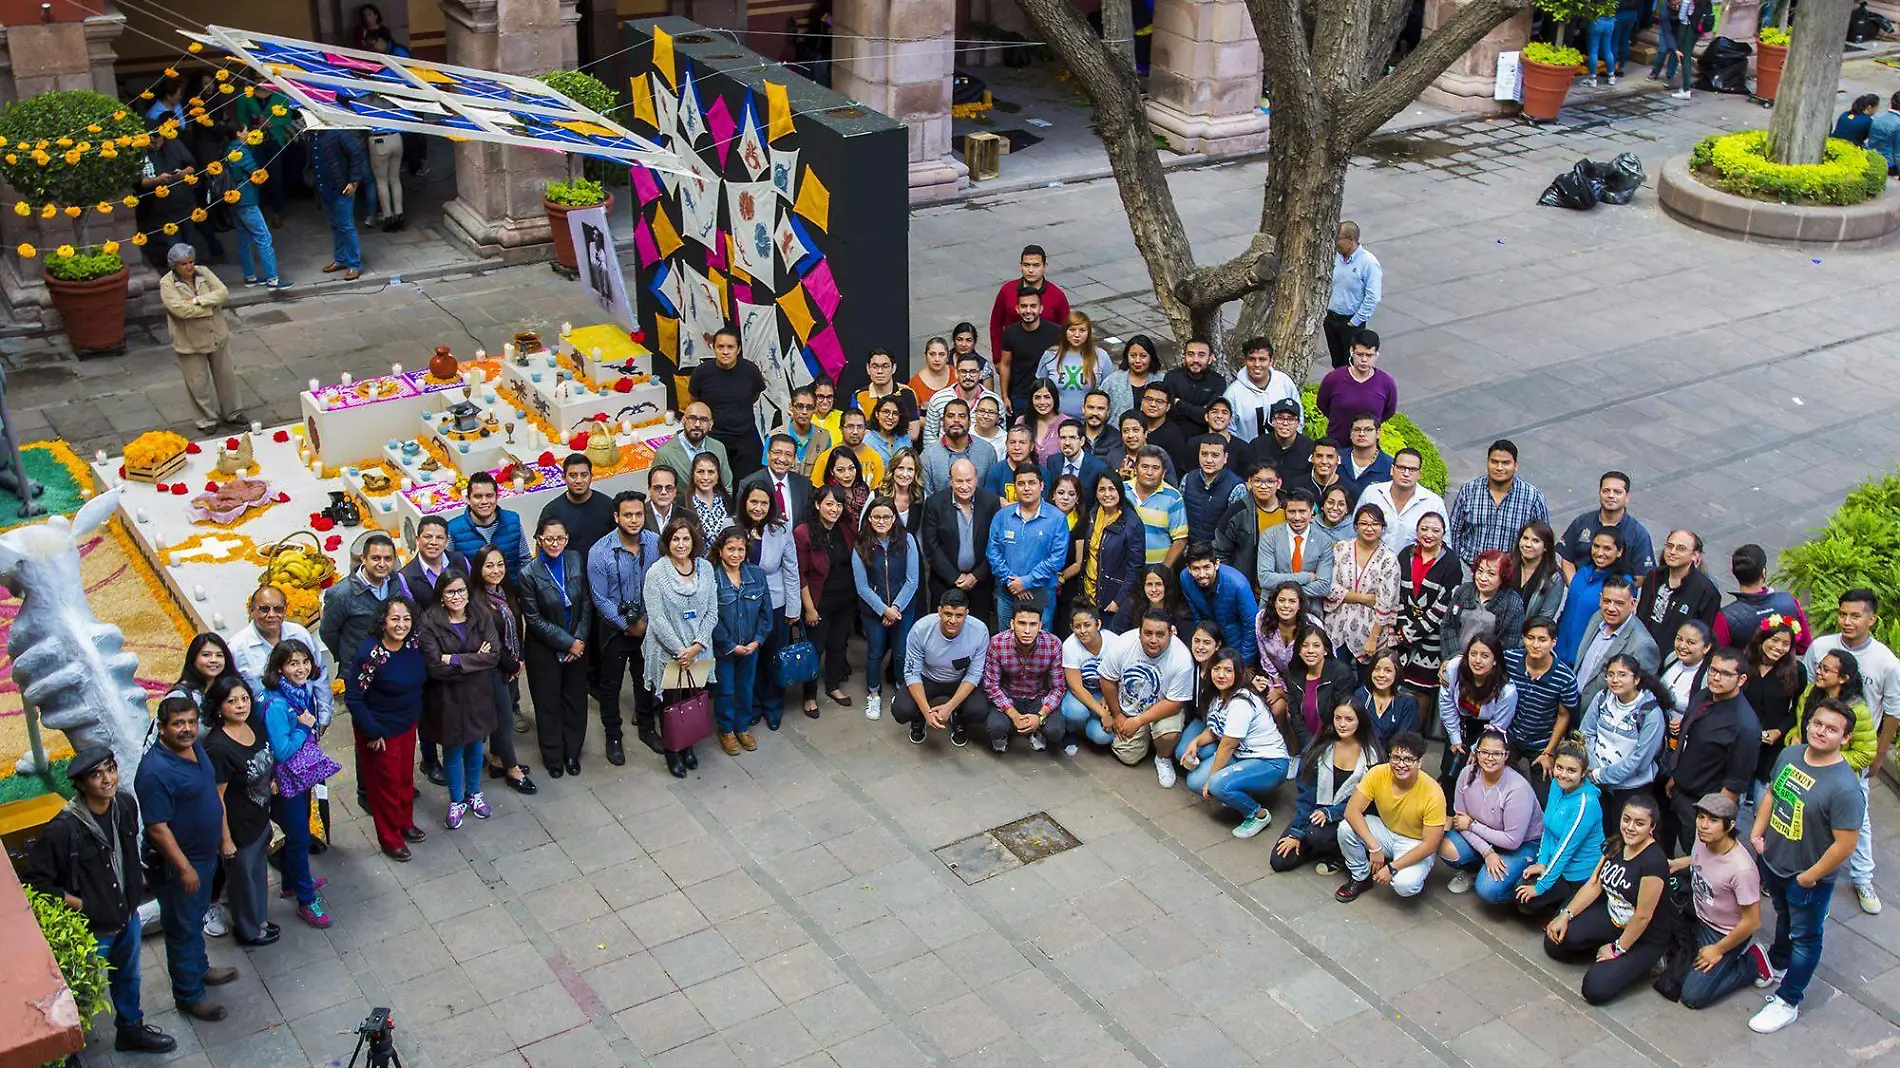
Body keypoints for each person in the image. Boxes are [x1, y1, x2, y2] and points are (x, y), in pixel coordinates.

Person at [22, 747, 178, 1053]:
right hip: (91, 929)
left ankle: (130, 1030)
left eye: (110, 769)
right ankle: (68, 1049)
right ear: (81, 784)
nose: (108, 779)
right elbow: (34, 882)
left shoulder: (125, 804)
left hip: (127, 915)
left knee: (129, 977)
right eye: (97, 775)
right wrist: (81, 905)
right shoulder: (63, 829)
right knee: (80, 990)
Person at [1748, 700, 1866, 1033]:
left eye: (1832, 729)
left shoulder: (1845, 787)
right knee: (1784, 918)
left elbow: (1845, 844)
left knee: (1807, 937)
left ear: (1846, 738)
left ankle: (1789, 1000)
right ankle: (1780, 961)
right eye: (1817, 723)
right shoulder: (1791, 754)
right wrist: (1758, 833)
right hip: (1776, 860)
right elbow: (1773, 793)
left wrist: (1810, 876)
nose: (1821, 732)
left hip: (1808, 877)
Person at [136, 698, 242, 1022]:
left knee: (193, 920)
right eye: (178, 724)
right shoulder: (154, 771)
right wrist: (184, 868)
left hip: (204, 855)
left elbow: (210, 793)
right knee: (181, 929)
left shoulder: (195, 748)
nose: (186, 729)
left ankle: (201, 969)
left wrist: (223, 839)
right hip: (179, 864)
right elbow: (157, 829)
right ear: (162, 728)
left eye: (191, 722)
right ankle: (189, 995)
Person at [1801, 587, 1899, 915]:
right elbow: (1805, 693)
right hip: (1813, 747)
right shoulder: (1822, 647)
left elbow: (1892, 712)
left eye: (1855, 615)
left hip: (1854, 751)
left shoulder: (1886, 662)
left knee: (1857, 817)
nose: (1847, 621)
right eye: (1843, 613)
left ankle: (1862, 877)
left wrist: (1877, 756)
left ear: (1872, 619)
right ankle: (1808, 874)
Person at [1541, 794, 1671, 1004]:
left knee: (1594, 989)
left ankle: (1649, 961)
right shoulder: (1617, 844)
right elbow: (1594, 884)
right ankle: (1603, 948)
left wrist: (1617, 948)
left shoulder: (1654, 862)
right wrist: (1565, 915)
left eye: (1639, 823)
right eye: (1626, 819)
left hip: (1644, 936)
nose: (1630, 827)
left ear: (1652, 827)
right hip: (1613, 918)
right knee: (1554, 943)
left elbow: (1643, 916)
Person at [255, 641, 334, 929]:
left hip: (298, 777)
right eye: (293, 663)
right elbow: (283, 750)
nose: (301, 668)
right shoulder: (277, 704)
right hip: (284, 780)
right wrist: (304, 727)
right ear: (279, 669)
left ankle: (290, 882)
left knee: (297, 831)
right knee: (299, 836)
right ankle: (305, 899)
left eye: (304, 662)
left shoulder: (296, 692)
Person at [1667, 794, 1766, 1009]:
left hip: (1724, 932)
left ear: (1729, 826)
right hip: (1698, 914)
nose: (1704, 825)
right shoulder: (1703, 840)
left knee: (1692, 995)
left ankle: (1753, 963)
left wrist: (1718, 949)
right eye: (1701, 817)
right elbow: (1699, 861)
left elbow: (1752, 922)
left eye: (1713, 821)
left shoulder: (1742, 870)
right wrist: (1675, 864)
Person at [345, 598, 426, 861]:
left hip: (407, 724)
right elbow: (354, 697)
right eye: (394, 619)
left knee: (405, 779)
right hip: (380, 731)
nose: (400, 624)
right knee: (385, 788)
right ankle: (390, 839)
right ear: (383, 621)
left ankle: (405, 823)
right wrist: (371, 731)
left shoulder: (412, 644)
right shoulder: (371, 654)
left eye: (405, 619)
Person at [418, 572, 500, 830]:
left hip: (477, 695)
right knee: (453, 748)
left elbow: (493, 656)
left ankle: (473, 794)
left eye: (462, 591)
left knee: (476, 745)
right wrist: (473, 658)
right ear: (441, 596)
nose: (458, 597)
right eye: (451, 592)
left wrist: (453, 659)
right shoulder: (430, 623)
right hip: (447, 697)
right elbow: (433, 666)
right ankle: (456, 800)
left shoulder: (481, 615)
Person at [200, 677, 276, 948]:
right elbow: (216, 798)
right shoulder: (218, 747)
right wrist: (226, 840)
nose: (241, 705)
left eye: (244, 698)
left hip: (258, 817)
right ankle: (249, 930)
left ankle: (260, 921)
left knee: (257, 876)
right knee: (242, 883)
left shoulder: (252, 724)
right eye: (232, 701)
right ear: (220, 708)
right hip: (237, 826)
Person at [1186, 649, 1291, 836]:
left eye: (1228, 670)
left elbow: (1227, 744)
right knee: (1194, 781)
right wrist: (1196, 741)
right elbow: (1214, 729)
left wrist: (1211, 780)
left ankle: (1257, 814)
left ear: (1238, 673)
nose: (1221, 675)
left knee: (1217, 784)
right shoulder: (1217, 695)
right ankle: (1239, 789)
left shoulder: (1241, 702)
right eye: (1216, 669)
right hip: (1243, 756)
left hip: (1270, 762)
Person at [589, 491, 661, 762]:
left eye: (638, 514)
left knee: (646, 681)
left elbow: (662, 584)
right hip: (614, 630)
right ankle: (613, 736)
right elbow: (600, 597)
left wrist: (648, 622)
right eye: (627, 515)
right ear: (616, 517)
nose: (634, 520)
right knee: (611, 686)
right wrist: (625, 624)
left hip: (648, 625)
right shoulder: (600, 551)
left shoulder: (655, 543)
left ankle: (647, 728)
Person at [643, 516, 717, 776]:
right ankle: (673, 750)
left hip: (698, 651)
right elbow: (657, 618)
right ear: (667, 542)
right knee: (672, 705)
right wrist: (680, 651)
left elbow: (712, 612)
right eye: (675, 538)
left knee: (693, 698)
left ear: (693, 541)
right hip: (669, 654)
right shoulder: (656, 573)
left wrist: (696, 646)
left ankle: (688, 745)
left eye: (686, 538)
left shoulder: (705, 569)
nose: (681, 544)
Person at [1438, 724, 1544, 902]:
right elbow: (1460, 821)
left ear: (1506, 755)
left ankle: (1522, 885)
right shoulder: (1466, 774)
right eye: (1484, 752)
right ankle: (1478, 870)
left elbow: (1511, 841)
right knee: (1445, 847)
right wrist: (1487, 852)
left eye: (1497, 754)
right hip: (1486, 837)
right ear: (1477, 753)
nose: (1489, 758)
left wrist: (1472, 825)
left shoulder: (1517, 788)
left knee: (1488, 889)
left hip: (1522, 844)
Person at [521, 516, 592, 779]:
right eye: (549, 538)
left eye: (560, 538)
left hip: (577, 641)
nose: (555, 544)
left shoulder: (574, 559)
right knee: (547, 702)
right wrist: (568, 642)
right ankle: (553, 755)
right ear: (539, 538)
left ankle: (572, 751)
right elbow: (534, 619)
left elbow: (585, 601)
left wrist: (580, 639)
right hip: (544, 649)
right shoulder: (529, 573)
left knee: (575, 699)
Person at [1335, 730, 1445, 900]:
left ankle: (1408, 866)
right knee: (1345, 828)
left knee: (1405, 885)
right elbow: (1351, 810)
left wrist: (1392, 868)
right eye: (1396, 758)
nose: (1401, 764)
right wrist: (1374, 847)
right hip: (1386, 831)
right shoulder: (1378, 773)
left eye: (1408, 759)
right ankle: (1361, 876)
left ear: (1420, 762)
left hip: (1415, 842)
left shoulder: (1433, 793)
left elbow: (1431, 844)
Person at [1093, 612, 1198, 786]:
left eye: (1160, 634)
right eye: (1148, 633)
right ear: (1139, 633)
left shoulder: (1182, 658)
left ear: (1171, 633)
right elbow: (1106, 679)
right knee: (1128, 756)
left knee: (1168, 734)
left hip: (1163, 708)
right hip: (1129, 706)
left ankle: (1163, 757)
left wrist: (1139, 721)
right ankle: (1146, 740)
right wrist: (1117, 714)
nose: (1153, 640)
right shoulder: (1124, 644)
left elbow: (1175, 703)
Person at [1273, 702, 1378, 873]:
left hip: (1350, 818)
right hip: (1315, 813)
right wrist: (1297, 833)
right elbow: (1306, 796)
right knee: (1280, 861)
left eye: (1349, 719)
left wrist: (1331, 813)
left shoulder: (1372, 756)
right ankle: (1323, 848)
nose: (1342, 724)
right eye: (1338, 718)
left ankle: (1344, 854)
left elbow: (1368, 803)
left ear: (1360, 722)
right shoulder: (1318, 750)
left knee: (1317, 835)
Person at [734, 484, 802, 731]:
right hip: (740, 606)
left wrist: (793, 608)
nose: (758, 508)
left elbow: (791, 569)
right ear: (744, 502)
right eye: (753, 502)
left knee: (773, 658)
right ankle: (751, 706)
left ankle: (773, 707)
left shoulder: (781, 530)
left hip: (775, 604)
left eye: (764, 503)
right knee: (747, 660)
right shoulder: (730, 526)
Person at [1581, 655, 1671, 833]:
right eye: (1611, 674)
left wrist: (1602, 774)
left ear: (1636, 679)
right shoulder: (1602, 698)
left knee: (1621, 837)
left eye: (1622, 675)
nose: (1615, 680)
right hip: (1597, 781)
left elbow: (1640, 760)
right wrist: (1593, 767)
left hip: (1631, 789)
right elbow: (1586, 733)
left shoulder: (1650, 713)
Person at [893, 589, 994, 746]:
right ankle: (918, 719)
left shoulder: (979, 631)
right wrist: (926, 711)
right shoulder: (920, 629)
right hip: (928, 678)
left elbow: (974, 674)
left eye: (959, 616)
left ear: (966, 614)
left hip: (960, 679)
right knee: (901, 710)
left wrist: (949, 707)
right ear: (939, 611)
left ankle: (958, 718)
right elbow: (912, 673)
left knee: (979, 709)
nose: (952, 620)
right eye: (948, 614)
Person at [159, 244, 243, 432]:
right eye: (183, 264)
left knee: (226, 376)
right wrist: (210, 307)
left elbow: (222, 292)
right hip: (189, 341)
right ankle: (207, 419)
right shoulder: (167, 283)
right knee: (198, 383)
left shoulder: (203, 272)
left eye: (191, 262)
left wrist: (198, 301)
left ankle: (233, 413)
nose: (189, 267)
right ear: (175, 266)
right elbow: (179, 310)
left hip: (216, 335)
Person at [1514, 744, 1606, 916]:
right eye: (1559, 767)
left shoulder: (1586, 803)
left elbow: (1565, 849)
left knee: (1558, 940)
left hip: (1580, 877)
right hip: (1558, 867)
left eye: (1571, 770)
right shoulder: (1557, 785)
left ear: (1583, 773)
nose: (1563, 775)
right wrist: (1542, 862)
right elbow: (1547, 827)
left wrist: (1540, 887)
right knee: (1521, 894)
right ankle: (1556, 904)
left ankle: (1571, 904)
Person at [472, 545, 535, 793]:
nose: (496, 570)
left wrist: (519, 659)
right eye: (489, 565)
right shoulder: (476, 601)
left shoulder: (504, 591)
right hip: (493, 668)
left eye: (500, 564)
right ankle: (512, 769)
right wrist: (513, 663)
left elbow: (517, 624)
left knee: (504, 714)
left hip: (511, 664)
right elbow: (489, 644)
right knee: (504, 719)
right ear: (479, 569)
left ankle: (498, 760)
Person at [855, 496, 922, 721]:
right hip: (874, 611)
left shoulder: (908, 540)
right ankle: (873, 693)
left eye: (886, 516)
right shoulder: (861, 544)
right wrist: (884, 610)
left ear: (894, 518)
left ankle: (902, 688)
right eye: (876, 517)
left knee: (902, 651)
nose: (881, 521)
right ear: (869, 519)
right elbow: (862, 587)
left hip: (903, 608)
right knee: (874, 652)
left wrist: (895, 608)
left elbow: (912, 580)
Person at [1503, 617, 1582, 801]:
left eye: (1542, 639)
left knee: (1542, 801)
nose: (1535, 644)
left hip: (1542, 743)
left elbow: (1563, 716)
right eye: (1530, 638)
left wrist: (1549, 752)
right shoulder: (1509, 659)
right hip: (1510, 736)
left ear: (1553, 642)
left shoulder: (1566, 677)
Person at [796, 485, 857, 715]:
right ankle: (809, 695)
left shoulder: (846, 528)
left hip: (845, 600)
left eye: (839, 505)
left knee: (838, 645)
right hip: (818, 603)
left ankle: (833, 685)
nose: (834, 509)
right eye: (829, 504)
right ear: (817, 504)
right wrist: (809, 609)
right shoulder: (803, 533)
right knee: (815, 649)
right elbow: (800, 574)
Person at [710, 527, 771, 755]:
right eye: (731, 549)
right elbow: (711, 617)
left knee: (745, 687)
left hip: (750, 646)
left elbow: (766, 612)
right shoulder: (712, 576)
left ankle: (742, 727)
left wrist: (757, 640)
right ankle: (726, 730)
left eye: (740, 549)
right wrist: (729, 645)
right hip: (724, 649)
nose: (736, 554)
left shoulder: (756, 574)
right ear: (721, 549)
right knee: (725, 690)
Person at [986, 463, 1068, 629]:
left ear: (1042, 485)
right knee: (1006, 643)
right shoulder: (1002, 516)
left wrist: (1026, 582)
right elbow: (993, 553)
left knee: (1040, 644)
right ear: (1014, 487)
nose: (1026, 488)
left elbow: (1057, 559)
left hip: (1041, 594)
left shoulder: (1057, 518)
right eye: (1021, 483)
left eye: (1032, 483)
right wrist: (1013, 582)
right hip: (1007, 593)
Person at [981, 601, 1068, 754]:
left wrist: (1040, 716)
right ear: (1012, 624)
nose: (1027, 630)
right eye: (1021, 623)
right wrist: (1013, 714)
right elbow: (991, 685)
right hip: (1009, 696)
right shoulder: (997, 643)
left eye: (1033, 624)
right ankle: (1004, 733)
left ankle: (1037, 730)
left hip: (1038, 698)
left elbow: (1058, 687)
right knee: (995, 727)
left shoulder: (1053, 644)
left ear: (1040, 625)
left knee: (1056, 731)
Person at [1391, 513, 1462, 699]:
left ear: (1443, 533)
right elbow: (1396, 593)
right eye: (1424, 529)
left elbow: (1444, 605)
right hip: (1402, 631)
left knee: (1421, 691)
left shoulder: (1451, 562)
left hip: (1432, 636)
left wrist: (1412, 632)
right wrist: (1402, 627)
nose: (1429, 534)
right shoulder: (1406, 554)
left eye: (1435, 530)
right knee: (1397, 685)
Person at [920, 458, 1000, 620]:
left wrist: (976, 575)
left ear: (976, 478)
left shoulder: (990, 501)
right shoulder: (934, 503)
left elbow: (996, 544)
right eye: (959, 481)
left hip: (980, 584)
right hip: (944, 582)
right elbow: (931, 546)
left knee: (978, 632)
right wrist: (954, 577)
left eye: (969, 480)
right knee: (943, 633)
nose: (964, 486)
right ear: (950, 481)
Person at [1448, 440, 1549, 566]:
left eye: (1506, 463)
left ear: (1516, 465)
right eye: (1494, 462)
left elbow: (1543, 539)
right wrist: (1456, 566)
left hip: (1512, 573)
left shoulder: (1533, 498)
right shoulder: (1469, 491)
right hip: (1470, 568)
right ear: (1487, 462)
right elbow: (1454, 532)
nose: (1499, 468)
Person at [1743, 620, 1808, 817]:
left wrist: (1779, 731)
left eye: (1785, 644)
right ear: (1762, 638)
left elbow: (1799, 710)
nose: (1778, 647)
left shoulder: (1796, 671)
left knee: (1763, 804)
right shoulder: (1744, 663)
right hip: (1742, 740)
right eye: (1774, 640)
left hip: (1773, 746)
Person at [216, 121, 289, 291]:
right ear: (239, 133)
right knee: (264, 238)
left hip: (235, 200)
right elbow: (256, 173)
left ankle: (250, 277)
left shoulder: (229, 150)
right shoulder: (241, 152)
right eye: (246, 130)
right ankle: (273, 280)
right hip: (247, 200)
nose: (248, 132)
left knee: (243, 240)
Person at [1439, 634, 1519, 786]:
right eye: (1473, 654)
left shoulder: (1507, 690)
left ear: (1495, 660)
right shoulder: (1454, 667)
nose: (1477, 661)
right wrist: (1455, 739)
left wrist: (1477, 749)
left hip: (1488, 729)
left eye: (1485, 656)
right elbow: (1446, 703)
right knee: (1450, 769)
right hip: (1459, 722)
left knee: (1474, 772)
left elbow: (1498, 725)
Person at [1324, 505, 1400, 667]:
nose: (1369, 528)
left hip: (1370, 628)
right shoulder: (1340, 549)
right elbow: (1328, 585)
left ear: (1383, 527)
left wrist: (1374, 638)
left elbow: (1386, 600)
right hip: (1336, 624)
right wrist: (1364, 598)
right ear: (1356, 526)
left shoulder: (1389, 558)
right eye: (1364, 523)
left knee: (1368, 681)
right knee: (1335, 674)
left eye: (1375, 524)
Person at [689, 327, 771, 473]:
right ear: (713, 348)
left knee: (746, 484)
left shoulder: (750, 370)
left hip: (745, 438)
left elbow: (755, 395)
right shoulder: (701, 373)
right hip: (713, 439)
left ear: (738, 349)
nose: (725, 352)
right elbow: (695, 402)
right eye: (720, 347)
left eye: (730, 347)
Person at [1574, 576, 1662, 711]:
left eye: (1619, 603)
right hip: (1573, 704)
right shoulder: (1597, 617)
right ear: (1600, 599)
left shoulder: (1643, 646)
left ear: (1633, 604)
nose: (1611, 608)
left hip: (1603, 719)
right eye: (1607, 601)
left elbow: (1638, 697)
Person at [1713, 543, 1811, 653]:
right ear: (1763, 572)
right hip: (1785, 668)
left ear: (1733, 571)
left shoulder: (1725, 617)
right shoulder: (1790, 602)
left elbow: (1719, 656)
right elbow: (1804, 646)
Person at [1557, 471, 1655, 577]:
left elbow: (1642, 575)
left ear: (1627, 496)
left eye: (1617, 492)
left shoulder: (1638, 534)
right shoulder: (1582, 522)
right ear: (1599, 493)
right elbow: (1567, 558)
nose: (1611, 496)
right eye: (1606, 491)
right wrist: (1576, 586)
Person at [989, 244, 1071, 370]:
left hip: (1046, 362)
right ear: (1021, 266)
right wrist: (998, 358)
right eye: (1026, 265)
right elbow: (996, 324)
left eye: (1036, 265)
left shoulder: (1057, 295)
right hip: (1013, 360)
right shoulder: (1007, 291)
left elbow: (1066, 329)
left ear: (1045, 266)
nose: (1031, 270)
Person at [1636, 529, 1720, 650]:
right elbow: (1641, 614)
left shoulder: (1706, 591)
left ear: (1695, 555)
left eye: (1681, 548)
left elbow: (1703, 635)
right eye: (1670, 546)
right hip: (1642, 649)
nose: (1672, 552)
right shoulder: (1653, 576)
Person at [1556, 528, 1627, 667]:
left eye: (1607, 548)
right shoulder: (1584, 570)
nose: (1600, 553)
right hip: (1559, 651)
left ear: (1619, 551)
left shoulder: (1622, 584)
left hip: (1585, 659)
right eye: (1596, 546)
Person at [1180, 542, 1261, 663]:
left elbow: (1251, 625)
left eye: (1206, 567)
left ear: (1216, 564)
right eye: (1196, 568)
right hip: (1210, 642)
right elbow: (1196, 615)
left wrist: (1244, 661)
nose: (1202, 574)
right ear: (1189, 568)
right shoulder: (1185, 578)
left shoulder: (1237, 584)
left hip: (1237, 642)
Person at [1283, 629, 1358, 754]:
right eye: (1305, 646)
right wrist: (1309, 743)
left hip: (1334, 740)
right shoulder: (1293, 675)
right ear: (1299, 651)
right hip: (1307, 742)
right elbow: (1295, 715)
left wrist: (1320, 746)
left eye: (1316, 646)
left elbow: (1340, 717)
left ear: (1326, 650)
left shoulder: (1341, 673)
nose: (1310, 650)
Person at [1440, 549, 1525, 658]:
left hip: (1489, 666)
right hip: (1456, 659)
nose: (1483, 578)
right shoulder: (1464, 591)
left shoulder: (1513, 604)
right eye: (1480, 571)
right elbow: (1448, 625)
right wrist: (1454, 656)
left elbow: (1509, 645)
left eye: (1491, 574)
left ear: (1502, 577)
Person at [1317, 341, 1399, 453]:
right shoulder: (1334, 378)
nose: (1364, 360)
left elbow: (1389, 411)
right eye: (1360, 354)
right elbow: (1322, 403)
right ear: (1351, 351)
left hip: (1368, 449)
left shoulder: (1386, 383)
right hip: (1337, 445)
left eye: (1369, 355)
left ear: (1376, 355)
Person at [1256, 489, 1336, 605]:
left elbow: (1323, 586)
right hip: (1272, 606)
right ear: (1285, 511)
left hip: (1309, 607)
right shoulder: (1269, 536)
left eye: (1302, 511)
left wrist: (1287, 595)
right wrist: (1306, 577)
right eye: (1292, 512)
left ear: (1311, 511)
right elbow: (1265, 579)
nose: (1297, 517)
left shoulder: (1323, 540)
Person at [1059, 605, 1119, 756]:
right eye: (1077, 626)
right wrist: (1103, 714)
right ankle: (1070, 731)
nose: (1083, 630)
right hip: (1080, 693)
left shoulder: (1114, 642)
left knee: (1102, 737)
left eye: (1087, 625)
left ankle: (1090, 725)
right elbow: (1076, 688)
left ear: (1098, 624)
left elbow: (1121, 677)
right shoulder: (1069, 646)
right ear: (1072, 628)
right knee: (1076, 713)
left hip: (1107, 691)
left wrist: (1109, 697)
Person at [448, 471, 527, 582]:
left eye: (489, 496)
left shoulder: (513, 521)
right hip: (472, 596)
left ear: (497, 497)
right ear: (468, 499)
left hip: (511, 593)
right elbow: (448, 568)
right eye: (478, 496)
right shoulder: (453, 529)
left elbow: (525, 559)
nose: (484, 501)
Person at [1212, 462, 1285, 583]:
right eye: (1258, 481)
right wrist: (1234, 582)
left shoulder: (1290, 509)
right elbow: (1220, 552)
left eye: (1270, 481)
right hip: (1247, 585)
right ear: (1249, 483)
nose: (1263, 486)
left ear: (1279, 483)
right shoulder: (1237, 512)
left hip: (1285, 585)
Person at [310, 129, 367, 279]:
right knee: (335, 225)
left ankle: (354, 264)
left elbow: (357, 154)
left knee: (346, 226)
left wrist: (353, 181)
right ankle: (340, 259)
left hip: (342, 188)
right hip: (325, 188)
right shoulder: (312, 135)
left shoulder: (339, 133)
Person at [1034, 312, 1113, 419]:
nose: (1077, 335)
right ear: (1064, 331)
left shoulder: (1101, 356)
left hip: (1090, 421)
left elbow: (1108, 392)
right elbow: (1040, 388)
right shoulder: (1050, 355)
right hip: (1056, 420)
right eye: (1072, 330)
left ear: (1088, 333)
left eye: (1082, 330)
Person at [1325, 223, 1383, 369]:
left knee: (1351, 365)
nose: (1335, 243)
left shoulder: (1368, 263)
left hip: (1351, 324)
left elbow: (1373, 297)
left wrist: (1354, 322)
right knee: (1337, 363)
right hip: (1331, 319)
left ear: (1350, 239)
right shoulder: (1334, 258)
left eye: (1338, 239)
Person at [1223, 337, 1302, 441]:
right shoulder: (1232, 394)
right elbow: (1229, 430)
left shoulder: (1284, 382)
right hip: (1250, 453)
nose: (1257, 365)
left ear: (1271, 361)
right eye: (1252, 359)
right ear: (1245, 361)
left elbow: (1298, 415)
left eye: (1262, 359)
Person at [1125, 447, 1188, 569]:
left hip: (1158, 571)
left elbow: (1180, 540)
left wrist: (1162, 571)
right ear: (1135, 468)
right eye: (1145, 467)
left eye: (1155, 468)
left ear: (1163, 473)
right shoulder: (1121, 491)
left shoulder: (1173, 497)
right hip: (1124, 569)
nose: (1149, 472)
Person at [922, 352, 1005, 445]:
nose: (968, 376)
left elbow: (1001, 436)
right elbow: (930, 436)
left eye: (973, 372)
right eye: (963, 371)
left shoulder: (995, 402)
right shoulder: (938, 399)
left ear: (981, 374)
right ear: (956, 373)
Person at [921, 399, 999, 496]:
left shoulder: (987, 451)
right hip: (940, 510)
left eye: (962, 416)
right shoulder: (928, 455)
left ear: (970, 422)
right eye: (950, 416)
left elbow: (991, 496)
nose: (956, 420)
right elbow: (927, 498)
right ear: (943, 422)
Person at [740, 434, 817, 533]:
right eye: (777, 452)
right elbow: (743, 521)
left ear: (794, 459)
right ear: (768, 454)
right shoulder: (748, 483)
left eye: (788, 454)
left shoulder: (804, 485)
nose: (782, 459)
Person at [651, 402, 732, 493]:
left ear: (711, 424)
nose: (697, 424)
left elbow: (727, 487)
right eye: (692, 418)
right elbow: (658, 492)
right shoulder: (665, 454)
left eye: (703, 420)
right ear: (683, 420)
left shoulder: (718, 447)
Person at [1181, 436, 1243, 548]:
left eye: (1215, 455)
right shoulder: (1188, 479)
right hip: (1189, 551)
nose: (1209, 460)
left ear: (1225, 458)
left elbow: (1235, 530)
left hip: (1219, 554)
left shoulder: (1236, 487)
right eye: (1204, 454)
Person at [1161, 337, 1228, 440]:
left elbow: (1208, 416)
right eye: (1190, 354)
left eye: (1201, 355)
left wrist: (1179, 404)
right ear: (1184, 356)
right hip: (1174, 437)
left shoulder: (1218, 381)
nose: (1195, 360)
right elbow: (1169, 413)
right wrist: (1198, 411)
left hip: (1206, 440)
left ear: (1210, 358)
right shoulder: (1171, 377)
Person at [400, 515, 469, 612]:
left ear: (446, 541)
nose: (433, 542)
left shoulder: (460, 561)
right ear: (417, 539)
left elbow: (473, 596)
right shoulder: (406, 576)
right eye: (428, 537)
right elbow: (413, 615)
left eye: (439, 537)